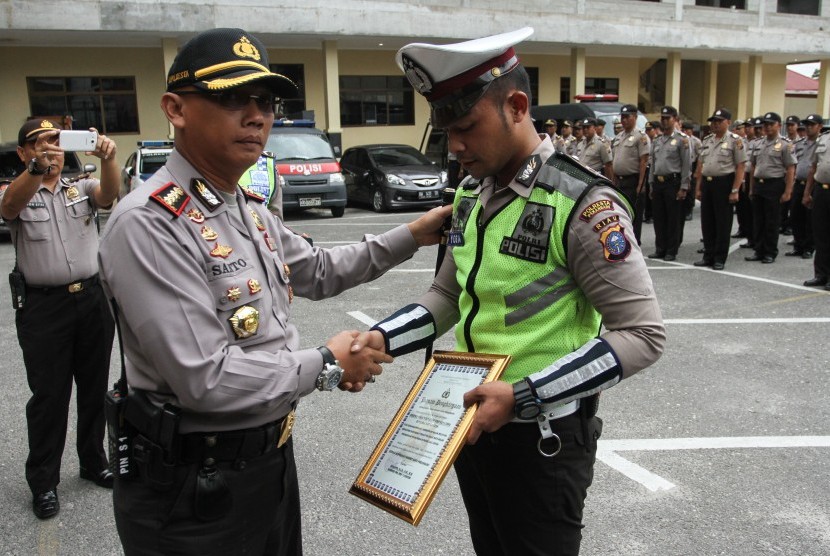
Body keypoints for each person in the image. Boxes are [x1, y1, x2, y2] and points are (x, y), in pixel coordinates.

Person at [97, 28, 450, 555]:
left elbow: (320, 269)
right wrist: (327, 362)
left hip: (267, 465)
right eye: (231, 98)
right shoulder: (150, 223)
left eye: (265, 101)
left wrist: (414, 234)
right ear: (176, 108)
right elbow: (206, 378)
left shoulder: (246, 207)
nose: (256, 115)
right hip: (193, 489)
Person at [353, 27, 665, 556]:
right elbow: (447, 296)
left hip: (542, 436)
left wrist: (524, 394)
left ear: (516, 106)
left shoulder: (584, 203)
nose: (454, 146)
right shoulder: (474, 193)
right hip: (472, 418)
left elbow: (642, 334)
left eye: (467, 127)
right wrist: (383, 337)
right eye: (445, 129)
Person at [0, 119, 120, 519]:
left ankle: (92, 461)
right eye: (40, 142)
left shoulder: (78, 185)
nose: (51, 146)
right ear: (23, 152)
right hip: (43, 307)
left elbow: (109, 195)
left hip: (90, 299)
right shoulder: (16, 189)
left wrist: (109, 160)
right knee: (49, 397)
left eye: (55, 140)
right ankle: (43, 481)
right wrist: (36, 170)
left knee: (93, 388)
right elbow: (8, 208)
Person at [694, 108, 746, 270]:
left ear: (728, 122)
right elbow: (701, 166)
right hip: (708, 184)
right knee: (707, 221)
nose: (715, 124)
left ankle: (719, 258)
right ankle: (708, 255)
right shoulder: (708, 140)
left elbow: (740, 166)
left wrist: (735, 190)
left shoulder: (735, 141)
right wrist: (698, 188)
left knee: (722, 222)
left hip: (724, 183)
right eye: (713, 121)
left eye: (719, 121)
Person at [745, 112, 795, 264]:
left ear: (779, 125)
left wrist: (788, 191)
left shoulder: (785, 144)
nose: (767, 127)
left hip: (774, 184)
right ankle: (759, 250)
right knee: (758, 220)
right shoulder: (759, 143)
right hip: (759, 184)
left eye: (770, 124)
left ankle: (770, 252)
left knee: (772, 221)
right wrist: (752, 188)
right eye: (765, 124)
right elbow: (753, 166)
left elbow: (791, 168)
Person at [647, 106, 691, 261]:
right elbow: (653, 164)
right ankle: (660, 248)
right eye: (663, 118)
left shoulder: (682, 139)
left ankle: (671, 250)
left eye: (668, 118)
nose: (665, 121)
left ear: (675, 119)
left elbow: (686, 165)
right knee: (659, 218)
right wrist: (651, 184)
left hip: (672, 182)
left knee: (673, 218)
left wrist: (684, 186)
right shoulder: (657, 140)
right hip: (658, 183)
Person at [611, 103, 649, 243]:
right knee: (620, 214)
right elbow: (615, 159)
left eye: (627, 117)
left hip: (632, 181)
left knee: (634, 215)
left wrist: (641, 184)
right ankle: (623, 242)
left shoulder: (641, 137)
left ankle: (634, 243)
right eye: (622, 117)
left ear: (635, 117)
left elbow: (643, 161)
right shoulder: (619, 136)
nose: (624, 120)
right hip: (620, 182)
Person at [788, 114, 821, 259]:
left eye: (812, 125)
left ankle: (809, 247)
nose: (808, 127)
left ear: (819, 127)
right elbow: (795, 163)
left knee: (810, 218)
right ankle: (798, 245)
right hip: (799, 183)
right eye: (807, 124)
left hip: (814, 184)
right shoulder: (799, 144)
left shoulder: (822, 143)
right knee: (796, 215)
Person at [803, 115, 830, 289]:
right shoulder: (824, 138)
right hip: (821, 190)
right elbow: (814, 167)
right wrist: (807, 192)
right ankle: (821, 274)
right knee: (820, 234)